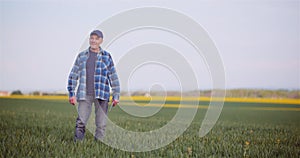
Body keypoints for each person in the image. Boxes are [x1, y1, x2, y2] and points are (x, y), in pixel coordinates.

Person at [67, 30, 120, 141]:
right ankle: (78, 145)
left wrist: (116, 95)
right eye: (92, 38)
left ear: (101, 41)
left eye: (96, 38)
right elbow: (73, 74)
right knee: (81, 122)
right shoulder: (81, 56)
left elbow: (113, 76)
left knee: (101, 124)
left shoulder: (106, 56)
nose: (94, 41)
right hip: (84, 94)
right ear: (89, 39)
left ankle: (98, 146)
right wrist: (71, 93)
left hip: (102, 94)